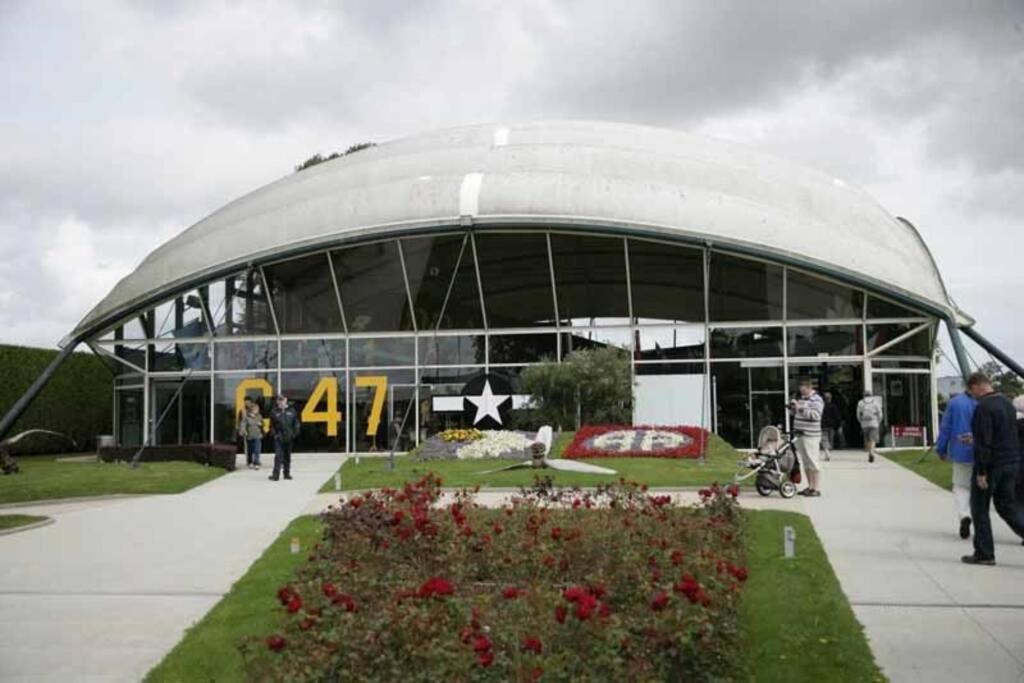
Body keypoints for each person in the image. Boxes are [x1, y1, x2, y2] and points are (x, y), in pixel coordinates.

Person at [962, 372, 1024, 565]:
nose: (973, 396)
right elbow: (1004, 434)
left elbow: (984, 444)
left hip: (991, 465)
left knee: (979, 508)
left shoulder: (983, 408)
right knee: (1006, 506)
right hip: (1011, 462)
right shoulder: (1007, 404)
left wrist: (981, 472)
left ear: (976, 387)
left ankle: (984, 552)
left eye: (972, 392)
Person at [935, 390, 977, 539]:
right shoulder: (985, 401)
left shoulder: (955, 403)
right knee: (980, 489)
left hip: (961, 451)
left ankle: (964, 514)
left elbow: (946, 427)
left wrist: (941, 448)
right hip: (985, 453)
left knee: (961, 486)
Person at [790, 378, 824, 497]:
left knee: (813, 461)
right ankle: (809, 486)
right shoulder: (803, 399)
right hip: (800, 434)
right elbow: (799, 413)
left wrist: (800, 408)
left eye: (803, 390)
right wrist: (794, 409)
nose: (801, 392)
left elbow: (815, 415)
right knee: (805, 462)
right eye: (800, 390)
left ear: (809, 388)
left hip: (811, 435)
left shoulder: (817, 399)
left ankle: (815, 488)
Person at [269, 394, 300, 481]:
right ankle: (275, 475)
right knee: (278, 456)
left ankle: (287, 474)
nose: (280, 402)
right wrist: (275, 434)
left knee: (287, 456)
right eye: (279, 400)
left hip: (289, 437)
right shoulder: (274, 412)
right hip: (279, 438)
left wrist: (294, 433)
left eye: (282, 400)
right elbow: (271, 426)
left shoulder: (292, 411)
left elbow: (296, 424)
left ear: (286, 400)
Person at [856, 390, 883, 463]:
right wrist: (878, 422)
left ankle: (869, 453)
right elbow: (880, 414)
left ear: (864, 395)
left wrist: (861, 422)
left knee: (867, 439)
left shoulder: (860, 402)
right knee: (873, 439)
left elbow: (858, 414)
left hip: (864, 424)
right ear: (871, 395)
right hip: (874, 422)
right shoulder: (875, 402)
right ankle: (872, 453)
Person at [238, 397, 265, 470]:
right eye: (256, 409)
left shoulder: (259, 416)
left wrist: (261, 424)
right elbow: (242, 424)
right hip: (249, 436)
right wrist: (243, 431)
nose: (257, 410)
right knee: (250, 450)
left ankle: (256, 462)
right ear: (252, 410)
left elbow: (262, 424)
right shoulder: (246, 416)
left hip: (258, 436)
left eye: (258, 409)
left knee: (257, 450)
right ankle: (250, 462)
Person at [820, 391, 842, 462]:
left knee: (824, 440)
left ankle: (827, 452)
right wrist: (839, 425)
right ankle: (828, 452)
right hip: (831, 426)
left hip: (823, 425)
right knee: (830, 439)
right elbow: (837, 417)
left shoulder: (821, 406)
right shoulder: (833, 406)